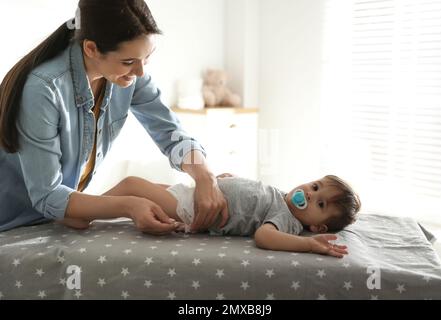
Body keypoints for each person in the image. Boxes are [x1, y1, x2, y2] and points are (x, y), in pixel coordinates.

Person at [0, 0, 229, 234]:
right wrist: (128, 205)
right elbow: (48, 196)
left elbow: (171, 134)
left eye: (147, 57)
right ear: (91, 49)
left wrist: (205, 176)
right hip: (13, 225)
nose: (140, 72)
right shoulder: (44, 89)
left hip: (56, 219)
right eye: (128, 62)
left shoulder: (128, 76)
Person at [71, 174, 361, 258]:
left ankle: (82, 211)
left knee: (132, 185)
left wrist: (310, 244)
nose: (309, 194)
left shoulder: (287, 220)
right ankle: (86, 207)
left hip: (193, 207)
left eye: (319, 203)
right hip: (194, 192)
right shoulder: (282, 196)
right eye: (314, 186)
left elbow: (264, 236)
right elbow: (252, 194)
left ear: (316, 225)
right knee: (142, 187)